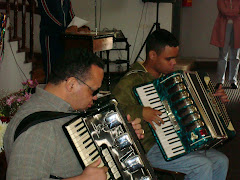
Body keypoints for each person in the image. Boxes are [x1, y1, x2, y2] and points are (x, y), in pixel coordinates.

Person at [4, 48, 144, 179]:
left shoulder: (67, 109)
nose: (96, 97)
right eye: (93, 91)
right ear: (71, 84)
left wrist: (122, 137)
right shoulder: (39, 131)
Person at [112, 29, 229, 180]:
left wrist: (215, 103)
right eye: (169, 59)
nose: (174, 63)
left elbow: (192, 111)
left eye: (175, 58)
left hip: (179, 141)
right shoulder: (130, 81)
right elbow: (113, 112)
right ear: (153, 55)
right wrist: (140, 112)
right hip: (147, 148)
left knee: (221, 161)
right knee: (201, 165)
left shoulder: (172, 80)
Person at [37, 0, 90, 83]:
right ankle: (49, 92)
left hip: (65, 38)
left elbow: (71, 17)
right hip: (50, 36)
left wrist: (80, 27)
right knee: (51, 69)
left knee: (63, 68)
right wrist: (65, 29)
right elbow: (48, 15)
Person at [210, 0, 240, 89]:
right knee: (223, 55)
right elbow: (223, 11)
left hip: (237, 28)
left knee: (236, 56)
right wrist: (236, 12)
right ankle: (220, 81)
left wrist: (231, 12)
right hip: (223, 28)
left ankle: (233, 81)